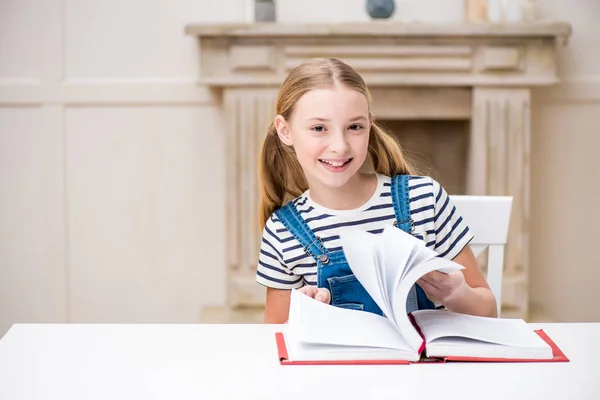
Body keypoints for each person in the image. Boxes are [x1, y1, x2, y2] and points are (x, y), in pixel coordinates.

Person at [255, 58, 497, 324]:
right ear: (285, 131)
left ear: (369, 125)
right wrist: (304, 315)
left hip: (424, 365)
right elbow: (275, 336)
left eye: (354, 127)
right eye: (319, 128)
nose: (340, 146)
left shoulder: (424, 199)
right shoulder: (282, 232)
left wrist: (456, 293)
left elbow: (488, 311)